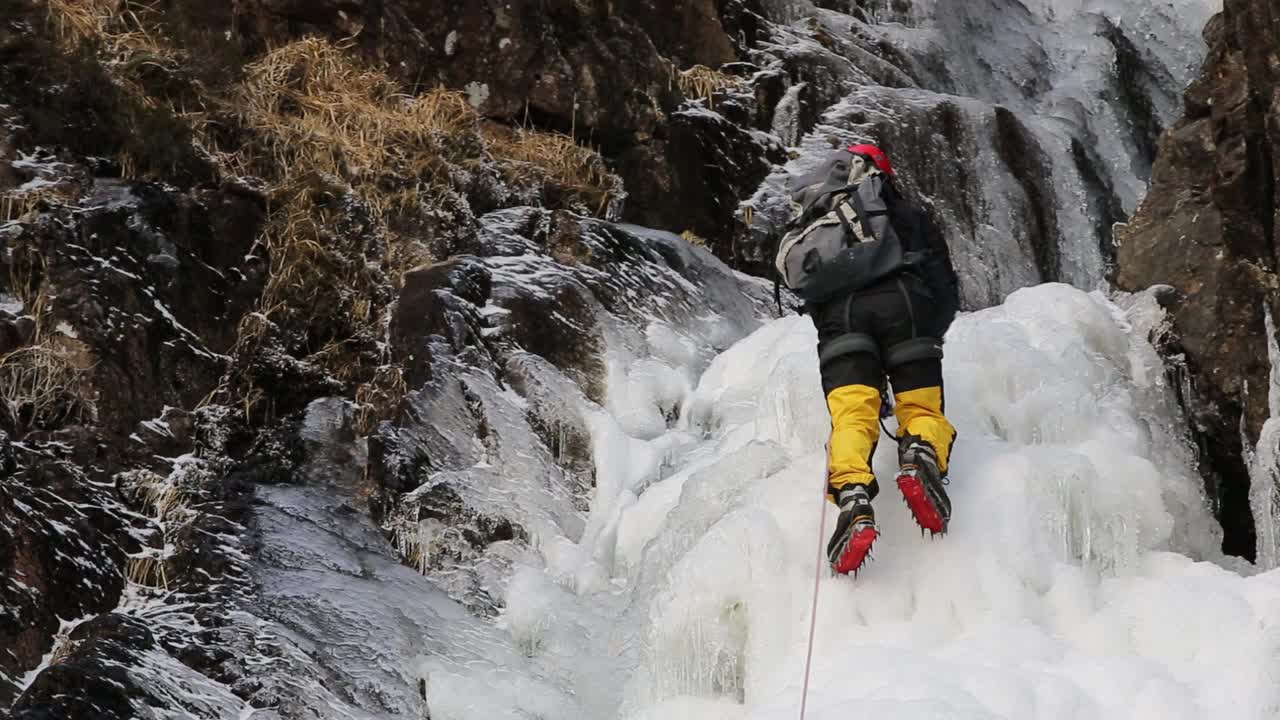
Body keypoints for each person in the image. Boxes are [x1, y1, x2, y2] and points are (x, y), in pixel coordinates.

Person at [774, 143, 960, 576]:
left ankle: (853, 496)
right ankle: (920, 454)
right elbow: (940, 274)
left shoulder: (813, 219)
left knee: (853, 417)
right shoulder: (893, 207)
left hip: (842, 320)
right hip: (904, 305)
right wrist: (931, 330)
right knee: (920, 406)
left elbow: (809, 293)